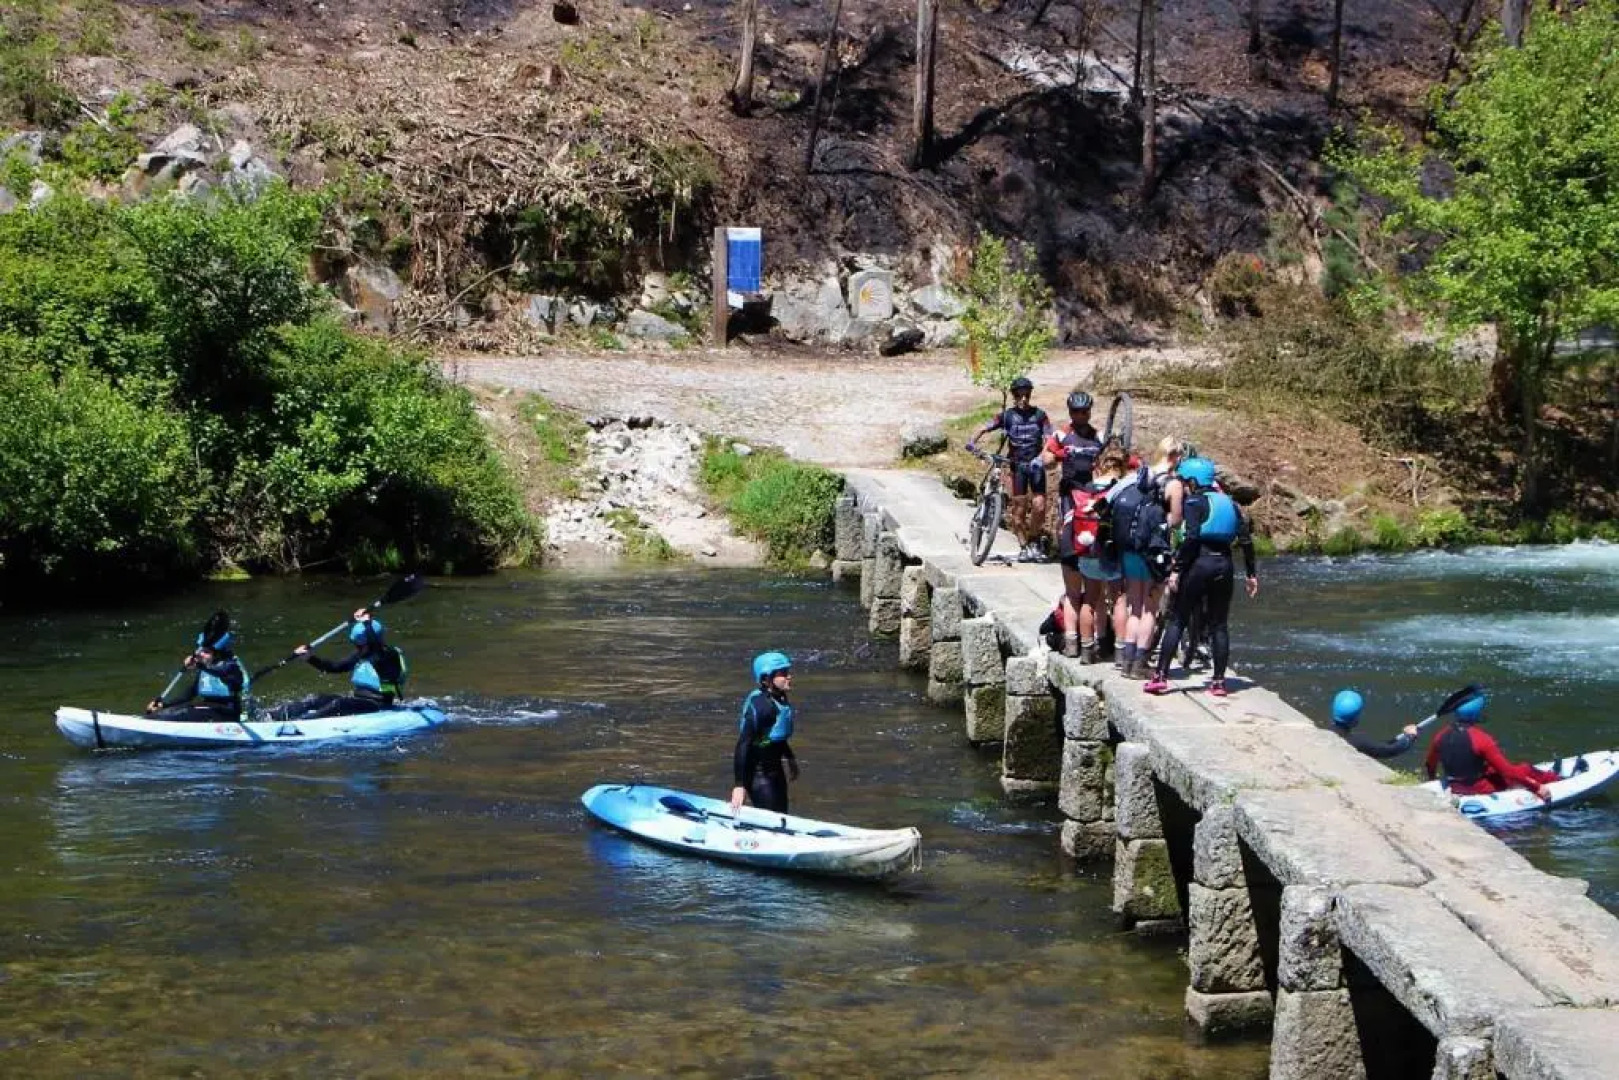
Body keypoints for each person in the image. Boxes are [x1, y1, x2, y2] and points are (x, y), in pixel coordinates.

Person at [1144, 456, 1258, 697]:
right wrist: (1251, 574)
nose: (1184, 486)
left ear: (1194, 481)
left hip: (1199, 563)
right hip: (1224, 565)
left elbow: (1192, 537)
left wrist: (1177, 569)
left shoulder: (1195, 502)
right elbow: (1246, 541)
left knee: (1178, 618)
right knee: (1219, 625)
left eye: (1185, 481)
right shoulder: (1230, 503)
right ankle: (1218, 682)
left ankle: (1160, 676)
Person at [968, 376, 1055, 561]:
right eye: (1019, 395)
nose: (1023, 399)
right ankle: (1023, 546)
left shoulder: (1040, 415)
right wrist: (971, 443)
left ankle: (1033, 541)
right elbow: (985, 427)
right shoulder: (1007, 416)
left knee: (1039, 506)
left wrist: (1043, 457)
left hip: (1036, 465)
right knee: (1018, 512)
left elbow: (1049, 439)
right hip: (1016, 467)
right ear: (1014, 396)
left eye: (1027, 395)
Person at [1423, 692, 1558, 799]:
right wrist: (1536, 787)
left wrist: (1434, 781)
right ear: (1475, 714)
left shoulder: (1440, 735)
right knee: (1524, 769)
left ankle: (1552, 777)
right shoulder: (1481, 738)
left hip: (1455, 786)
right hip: (1480, 788)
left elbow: (1430, 765)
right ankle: (1557, 780)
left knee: (1492, 769)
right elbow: (1508, 772)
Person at [289, 608, 408, 719]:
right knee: (318, 700)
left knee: (339, 704)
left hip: (379, 704)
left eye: (360, 645)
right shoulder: (362, 654)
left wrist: (367, 621)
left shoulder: (389, 656)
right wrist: (309, 658)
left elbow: (376, 647)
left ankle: (303, 722)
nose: (357, 647)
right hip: (360, 700)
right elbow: (335, 667)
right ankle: (275, 715)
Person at [732, 651, 799, 814]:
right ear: (766, 679)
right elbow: (743, 745)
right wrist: (739, 785)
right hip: (758, 774)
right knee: (771, 817)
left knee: (782, 816)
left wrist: (790, 758)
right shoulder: (761, 706)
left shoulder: (779, 699)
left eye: (788, 672)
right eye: (783, 674)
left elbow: (775, 736)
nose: (789, 677)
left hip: (775, 769)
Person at [145, 627, 251, 723]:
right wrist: (163, 705)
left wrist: (199, 665)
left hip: (227, 713)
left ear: (218, 654)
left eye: (206, 652)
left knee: (184, 712)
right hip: (209, 708)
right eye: (200, 650)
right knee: (170, 711)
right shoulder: (206, 668)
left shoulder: (231, 666)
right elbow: (188, 695)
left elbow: (221, 672)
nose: (200, 654)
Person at [1329, 689, 1419, 760]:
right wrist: (1410, 737)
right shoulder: (1359, 742)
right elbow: (1389, 750)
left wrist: (1399, 738)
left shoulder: (1326, 732)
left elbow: (1381, 745)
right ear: (1356, 719)